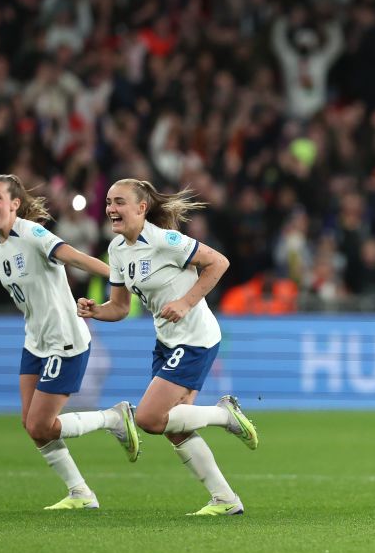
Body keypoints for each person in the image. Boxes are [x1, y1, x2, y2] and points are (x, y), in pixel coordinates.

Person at [0, 174, 140, 510]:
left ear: (15, 204)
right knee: (31, 424)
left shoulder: (32, 234)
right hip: (35, 341)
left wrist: (116, 274)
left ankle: (113, 418)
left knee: (40, 424)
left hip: (65, 340)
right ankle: (80, 493)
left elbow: (73, 256)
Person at [77, 178, 259, 516]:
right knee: (175, 428)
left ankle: (225, 415)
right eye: (108, 202)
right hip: (167, 342)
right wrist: (95, 311)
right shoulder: (117, 250)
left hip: (195, 338)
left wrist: (187, 302)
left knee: (148, 418)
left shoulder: (164, 240)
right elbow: (118, 307)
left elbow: (218, 262)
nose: (111, 209)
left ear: (141, 208)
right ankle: (225, 498)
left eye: (119, 202)